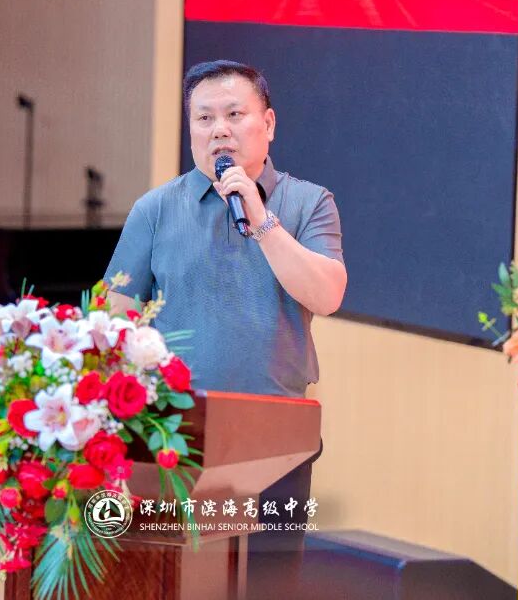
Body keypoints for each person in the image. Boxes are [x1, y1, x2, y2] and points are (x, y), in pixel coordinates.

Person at [104, 59, 346, 598]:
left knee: (268, 587)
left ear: (269, 123)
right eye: (204, 118)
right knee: (179, 583)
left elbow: (327, 295)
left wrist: (261, 219)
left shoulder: (309, 202)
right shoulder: (155, 209)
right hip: (176, 438)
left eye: (235, 115)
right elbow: (114, 318)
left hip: (276, 443)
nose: (219, 130)